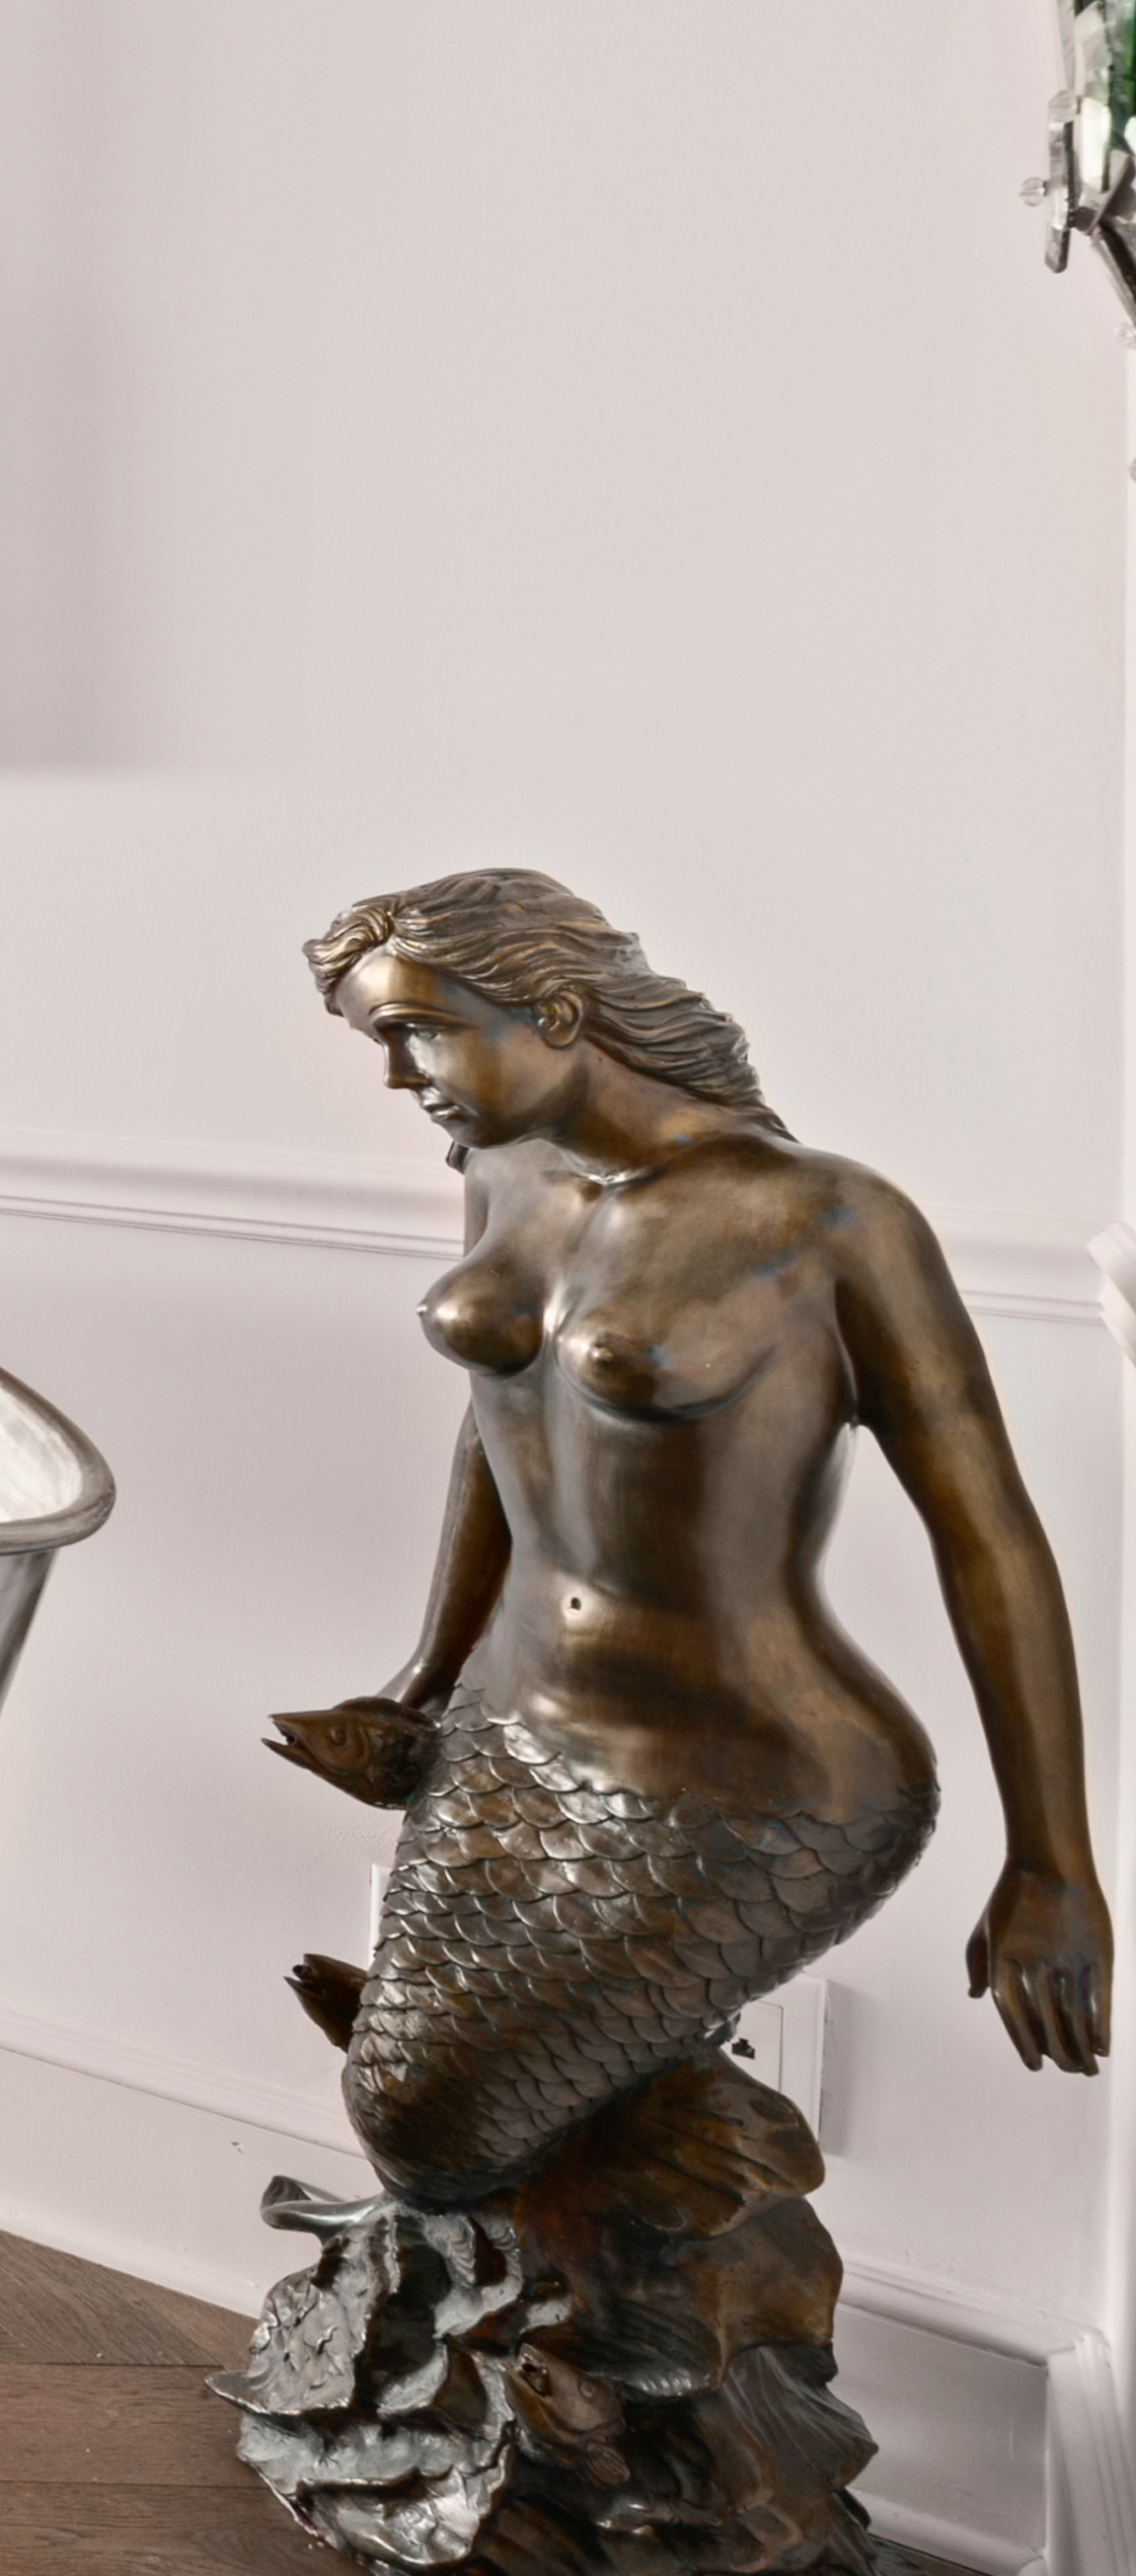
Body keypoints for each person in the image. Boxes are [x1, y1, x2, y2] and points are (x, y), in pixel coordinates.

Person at [288, 867, 1108, 2201]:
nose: (398, 1076)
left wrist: (1052, 1864)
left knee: (430, 2127)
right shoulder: (502, 1165)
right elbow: (498, 1424)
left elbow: (993, 1540)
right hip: (510, 1735)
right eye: (384, 1039)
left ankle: (642, 2356)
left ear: (556, 1010)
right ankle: (538, 2349)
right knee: (407, 2098)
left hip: (754, 1783)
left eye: (418, 1031)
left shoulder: (828, 1219)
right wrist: (423, 1684)